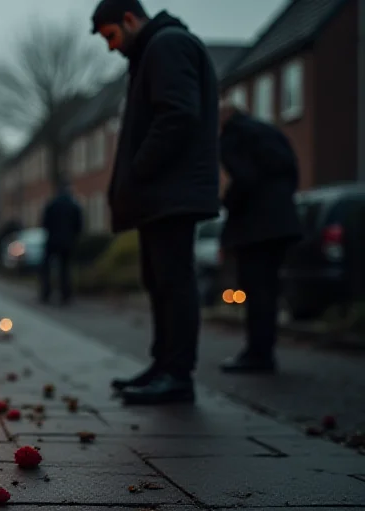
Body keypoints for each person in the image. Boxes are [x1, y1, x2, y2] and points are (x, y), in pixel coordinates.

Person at [91, 0, 220, 404]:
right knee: (159, 280)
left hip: (171, 193)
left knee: (174, 281)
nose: (111, 48)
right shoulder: (155, 50)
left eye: (111, 35)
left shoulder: (167, 45)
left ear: (130, 19)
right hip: (162, 194)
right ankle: (162, 366)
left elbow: (178, 115)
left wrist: (138, 169)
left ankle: (178, 375)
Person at [218, 104, 302, 373]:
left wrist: (227, 202)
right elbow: (291, 172)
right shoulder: (269, 132)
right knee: (269, 288)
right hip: (282, 221)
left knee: (255, 290)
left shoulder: (233, 136)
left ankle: (257, 354)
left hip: (255, 226)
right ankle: (264, 350)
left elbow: (244, 178)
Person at [40, 180, 84, 305]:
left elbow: (45, 222)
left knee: (47, 268)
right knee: (66, 268)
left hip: (52, 240)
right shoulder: (74, 205)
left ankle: (46, 293)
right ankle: (66, 295)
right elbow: (79, 225)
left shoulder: (51, 205)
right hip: (68, 241)